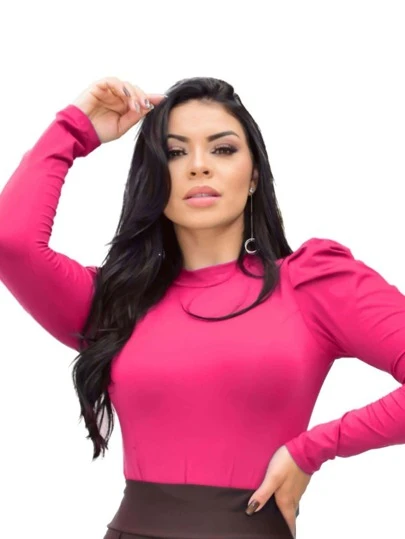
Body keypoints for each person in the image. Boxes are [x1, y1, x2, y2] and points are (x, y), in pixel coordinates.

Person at [0, 75, 404, 539]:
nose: (198, 167)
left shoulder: (312, 283)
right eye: (174, 153)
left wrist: (312, 449)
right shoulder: (117, 303)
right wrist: (74, 129)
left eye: (223, 149)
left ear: (254, 175)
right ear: (154, 179)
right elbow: (11, 242)